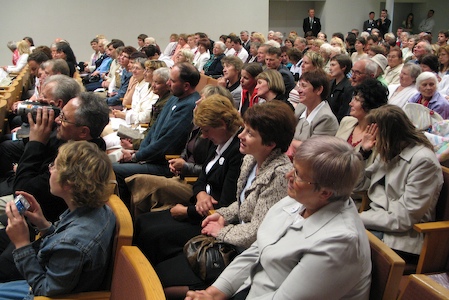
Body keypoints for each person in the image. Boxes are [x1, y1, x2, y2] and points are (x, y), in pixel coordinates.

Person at [186, 135, 371, 300]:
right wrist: (215, 291)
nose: (288, 175)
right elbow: (258, 250)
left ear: (325, 192)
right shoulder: (298, 201)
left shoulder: (339, 243)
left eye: (297, 174)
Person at [149, 101, 296, 298]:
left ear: (271, 144)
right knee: (160, 264)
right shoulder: (251, 159)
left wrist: (222, 230)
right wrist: (220, 215)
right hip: (233, 236)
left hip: (248, 253)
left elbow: (259, 232)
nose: (241, 136)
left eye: (250, 133)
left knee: (163, 282)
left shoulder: (278, 175)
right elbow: (241, 204)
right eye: (244, 129)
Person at [133, 95, 244, 284]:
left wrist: (186, 211)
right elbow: (202, 178)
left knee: (154, 235)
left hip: (210, 219)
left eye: (207, 130)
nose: (204, 135)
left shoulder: (236, 152)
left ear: (223, 124)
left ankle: (147, 284)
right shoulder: (217, 141)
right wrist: (200, 194)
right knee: (143, 222)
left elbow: (225, 204)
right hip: (198, 207)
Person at [0, 141, 115, 298]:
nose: (50, 168)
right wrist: (43, 224)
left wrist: (21, 244)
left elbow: (43, 289)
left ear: (68, 183)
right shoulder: (98, 209)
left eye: (55, 166)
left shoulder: (73, 243)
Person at [356, 105, 443, 260]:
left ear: (387, 135)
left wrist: (358, 218)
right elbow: (357, 186)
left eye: (375, 133)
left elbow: (403, 218)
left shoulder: (423, 161)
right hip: (376, 221)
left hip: (401, 237)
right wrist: (363, 153)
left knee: (339, 242)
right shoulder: (389, 151)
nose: (372, 138)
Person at [112, 63, 201, 203]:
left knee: (115, 169)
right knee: (113, 160)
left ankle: (126, 218)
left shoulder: (188, 106)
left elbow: (167, 144)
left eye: (172, 80)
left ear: (186, 86)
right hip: (151, 156)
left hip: (164, 164)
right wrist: (137, 151)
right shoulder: (174, 97)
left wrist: (136, 157)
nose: (168, 83)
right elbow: (154, 130)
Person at [336, 78, 388, 167]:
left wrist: (364, 152)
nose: (350, 103)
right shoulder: (346, 121)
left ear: (369, 104)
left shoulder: (378, 136)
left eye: (356, 100)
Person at [288, 70, 339, 158]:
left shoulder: (326, 118)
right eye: (299, 85)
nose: (299, 91)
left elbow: (312, 149)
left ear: (319, 90)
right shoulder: (301, 107)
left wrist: (291, 143)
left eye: (304, 86)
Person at [328, 54, 354, 122]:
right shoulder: (330, 83)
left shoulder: (348, 87)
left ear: (343, 67)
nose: (330, 68)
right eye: (330, 65)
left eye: (333, 65)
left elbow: (344, 111)